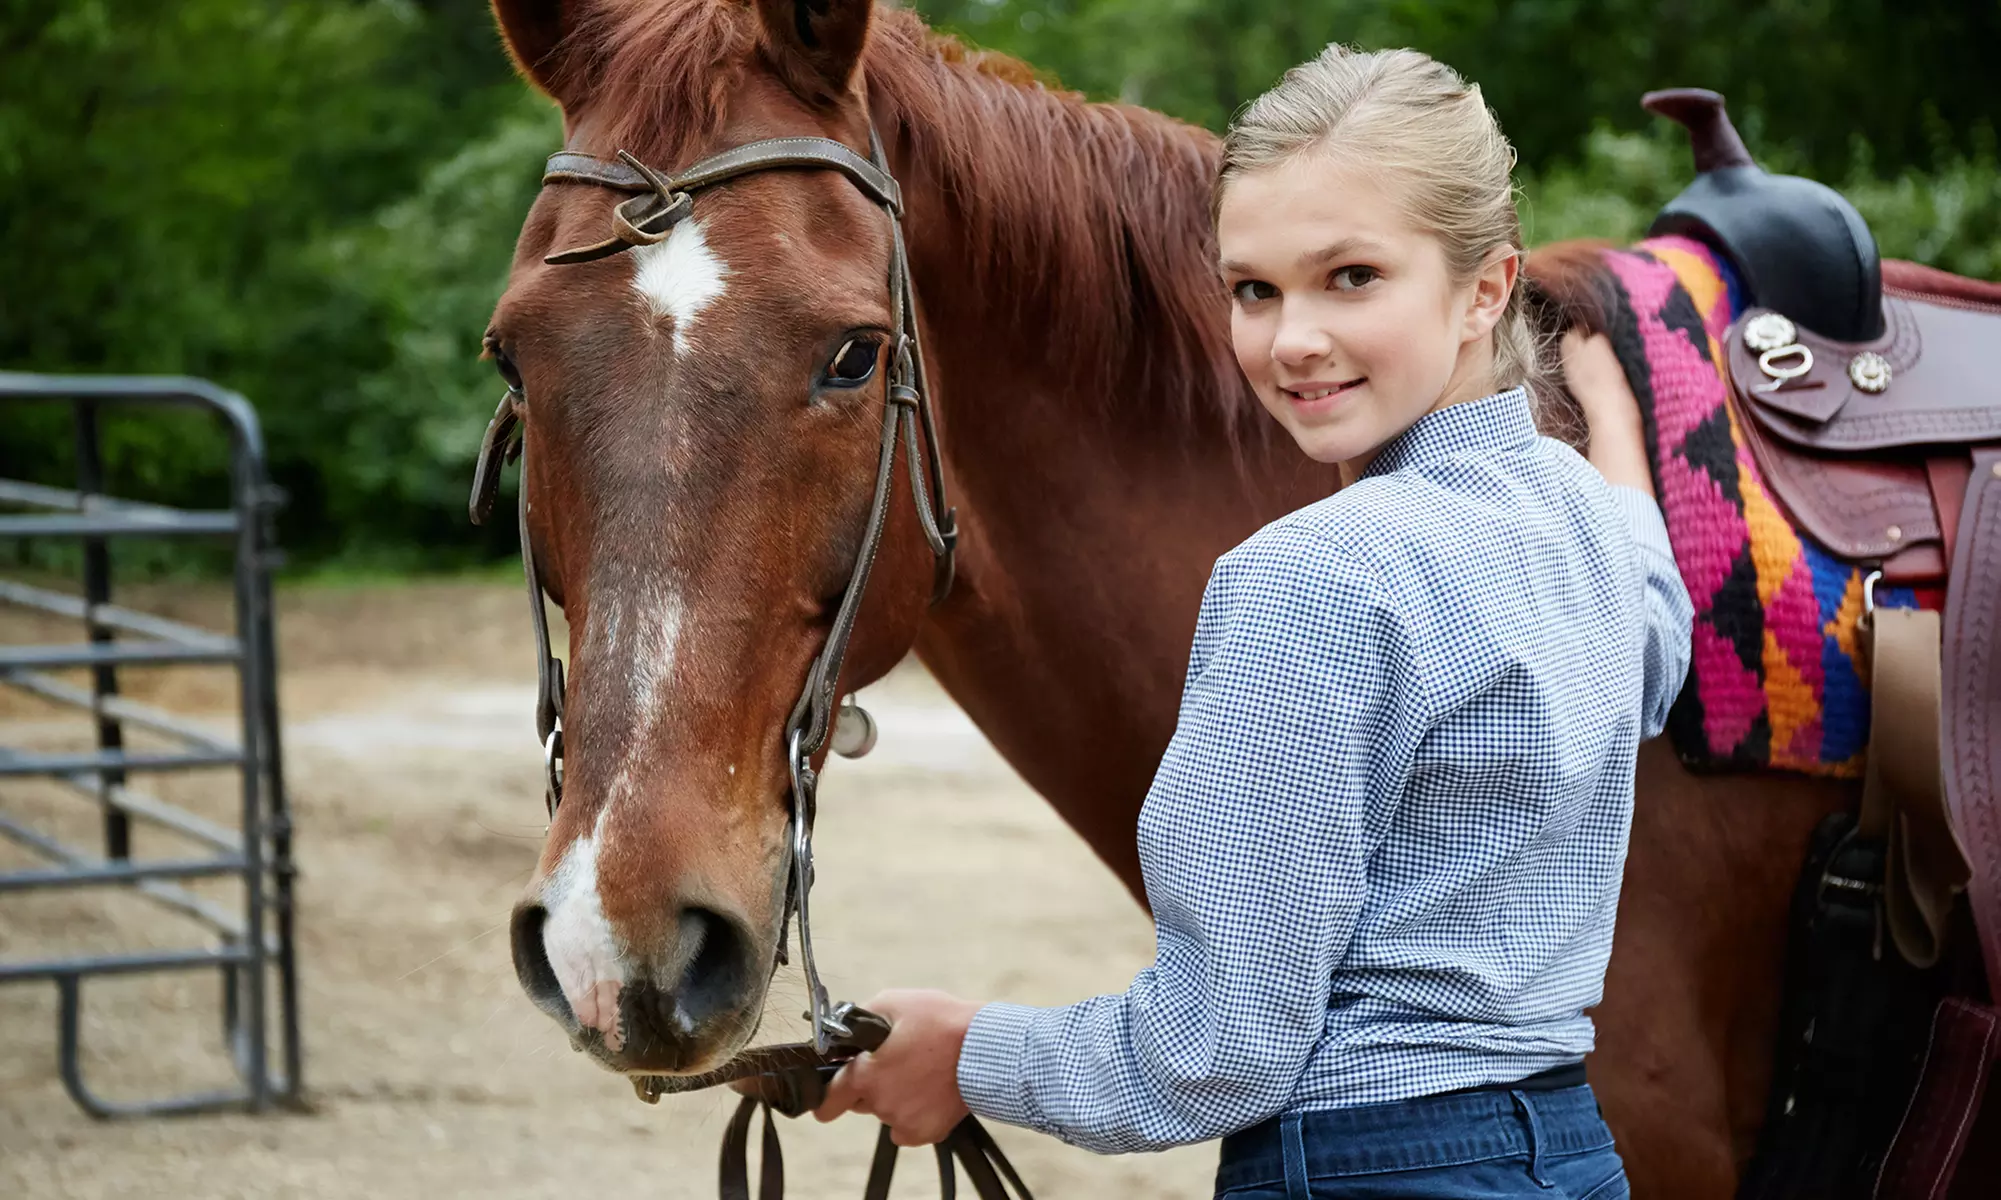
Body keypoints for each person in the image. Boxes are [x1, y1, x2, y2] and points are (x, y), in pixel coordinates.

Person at [815, 44, 1693, 1200]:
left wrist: (971, 1052)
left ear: (1487, 290)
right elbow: (1656, 645)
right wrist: (1615, 445)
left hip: (1368, 1168)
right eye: (1254, 289)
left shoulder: (1309, 578)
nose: (1292, 342)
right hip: (1570, 1157)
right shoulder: (1583, 518)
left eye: (1352, 278)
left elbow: (1217, 1052)